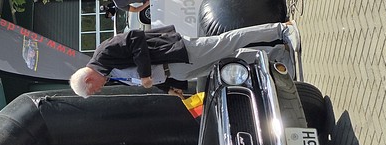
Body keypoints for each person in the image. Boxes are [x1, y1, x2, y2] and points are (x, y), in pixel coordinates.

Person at [69, 22, 298, 97]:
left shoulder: (104, 53)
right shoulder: (108, 72)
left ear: (89, 80)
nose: (98, 90)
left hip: (178, 54)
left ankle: (280, 29)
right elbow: (142, 79)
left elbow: (136, 38)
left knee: (227, 42)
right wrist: (168, 88)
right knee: (228, 59)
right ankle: (277, 55)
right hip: (177, 71)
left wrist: (145, 74)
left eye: (93, 90)